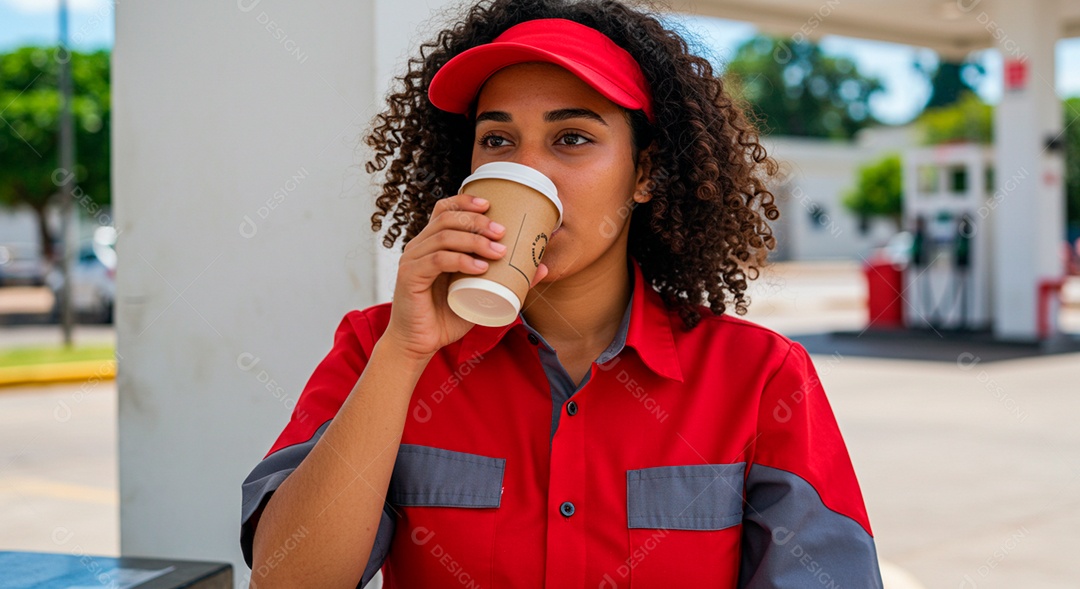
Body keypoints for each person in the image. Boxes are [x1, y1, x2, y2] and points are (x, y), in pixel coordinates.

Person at [241, 1, 884, 587]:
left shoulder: (761, 378)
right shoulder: (376, 348)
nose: (525, 169)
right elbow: (289, 580)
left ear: (645, 174)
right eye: (497, 140)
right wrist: (404, 355)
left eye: (571, 138)